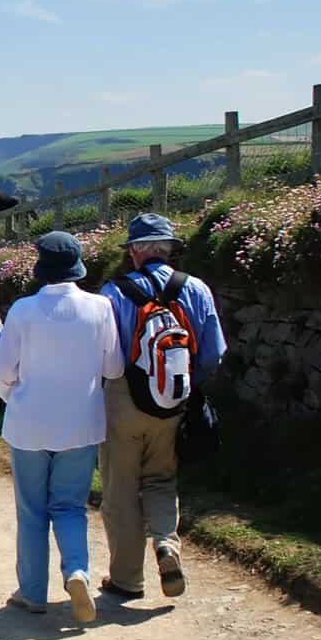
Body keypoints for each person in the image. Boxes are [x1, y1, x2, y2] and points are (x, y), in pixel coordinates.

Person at [0, 232, 123, 623]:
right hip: (81, 425)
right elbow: (113, 368)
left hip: (28, 425)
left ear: (41, 268)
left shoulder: (23, 310)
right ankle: (76, 572)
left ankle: (32, 592)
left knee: (32, 511)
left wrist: (16, 401)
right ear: (77, 267)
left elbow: (1, 373)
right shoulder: (100, 308)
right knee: (69, 506)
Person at [98, 213, 227, 600]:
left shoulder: (114, 292)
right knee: (160, 478)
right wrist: (186, 385)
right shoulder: (197, 289)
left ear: (135, 251)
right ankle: (166, 545)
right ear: (169, 249)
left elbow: (103, 354)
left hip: (122, 398)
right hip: (173, 398)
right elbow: (213, 354)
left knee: (120, 488)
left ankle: (126, 579)